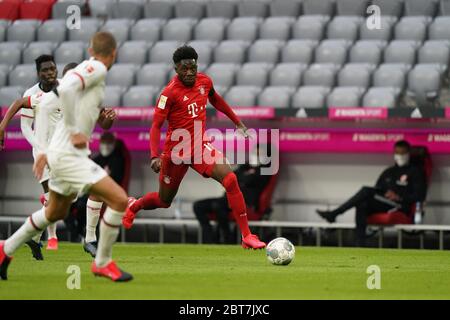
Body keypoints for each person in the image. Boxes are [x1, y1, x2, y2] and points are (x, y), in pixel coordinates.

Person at [0, 31, 132, 282]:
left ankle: (4, 249)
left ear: (91, 50)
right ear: (113, 53)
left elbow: (50, 103)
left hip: (60, 155)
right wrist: (71, 130)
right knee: (118, 200)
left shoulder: (84, 74)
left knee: (54, 213)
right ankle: (102, 262)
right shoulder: (97, 69)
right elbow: (67, 92)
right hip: (69, 156)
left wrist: (44, 150)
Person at [122, 45, 266, 249]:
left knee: (231, 179)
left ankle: (246, 236)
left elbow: (216, 100)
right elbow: (155, 126)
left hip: (200, 147)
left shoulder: (204, 81)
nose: (189, 72)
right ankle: (134, 205)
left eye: (192, 67)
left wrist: (237, 122)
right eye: (184, 68)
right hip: (176, 152)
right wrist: (155, 156)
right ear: (176, 69)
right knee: (164, 201)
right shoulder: (168, 93)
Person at [0, 63, 116, 259]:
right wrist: (3, 126)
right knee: (98, 192)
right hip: (56, 157)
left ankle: (19, 243)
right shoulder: (52, 96)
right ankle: (89, 241)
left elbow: (104, 123)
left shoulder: (87, 99)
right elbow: (20, 102)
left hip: (72, 158)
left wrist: (109, 118)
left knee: (55, 209)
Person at [316, 140, 427, 246]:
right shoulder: (388, 172)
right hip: (384, 202)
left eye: (403, 153)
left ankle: (335, 213)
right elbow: (377, 188)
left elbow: (420, 195)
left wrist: (399, 197)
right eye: (397, 152)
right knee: (362, 203)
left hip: (400, 205)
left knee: (365, 191)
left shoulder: (415, 172)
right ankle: (360, 244)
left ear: (408, 153)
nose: (400, 156)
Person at [193, 144, 273, 243]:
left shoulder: (266, 170)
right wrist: (244, 176)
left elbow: (248, 180)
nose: (256, 156)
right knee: (198, 206)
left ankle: (227, 239)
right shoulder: (246, 166)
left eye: (259, 154)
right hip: (227, 199)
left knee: (218, 206)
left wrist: (243, 177)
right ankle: (210, 238)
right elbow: (231, 176)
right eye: (255, 153)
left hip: (246, 202)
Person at [83, 131, 127, 257]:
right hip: (65, 157)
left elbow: (105, 124)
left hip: (79, 157)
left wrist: (108, 117)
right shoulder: (97, 159)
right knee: (56, 209)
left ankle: (91, 240)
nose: (106, 146)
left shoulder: (118, 159)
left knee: (97, 194)